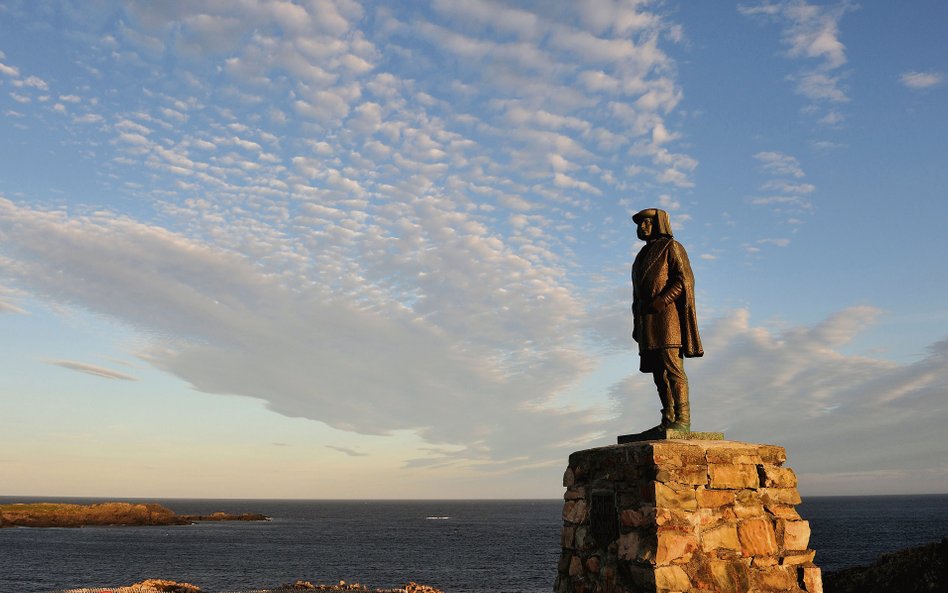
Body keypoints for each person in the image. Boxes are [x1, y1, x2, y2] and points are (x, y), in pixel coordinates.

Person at [631, 208, 703, 432]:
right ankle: (668, 417)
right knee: (658, 373)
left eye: (647, 222)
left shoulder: (672, 247)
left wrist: (663, 300)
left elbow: (684, 280)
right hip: (647, 322)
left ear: (659, 223)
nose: (642, 227)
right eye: (640, 223)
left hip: (668, 320)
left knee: (673, 368)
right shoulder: (641, 256)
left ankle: (683, 419)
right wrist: (637, 323)